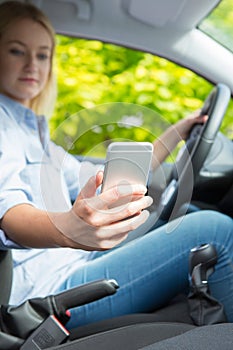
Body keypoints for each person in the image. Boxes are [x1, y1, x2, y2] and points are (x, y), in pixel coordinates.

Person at [0, 0, 232, 330]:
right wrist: (68, 229)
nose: (32, 65)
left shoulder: (29, 128)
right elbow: (7, 212)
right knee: (216, 231)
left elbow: (99, 178)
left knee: (188, 216)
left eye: (42, 54)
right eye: (16, 51)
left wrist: (175, 135)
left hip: (76, 262)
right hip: (51, 291)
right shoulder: (2, 123)